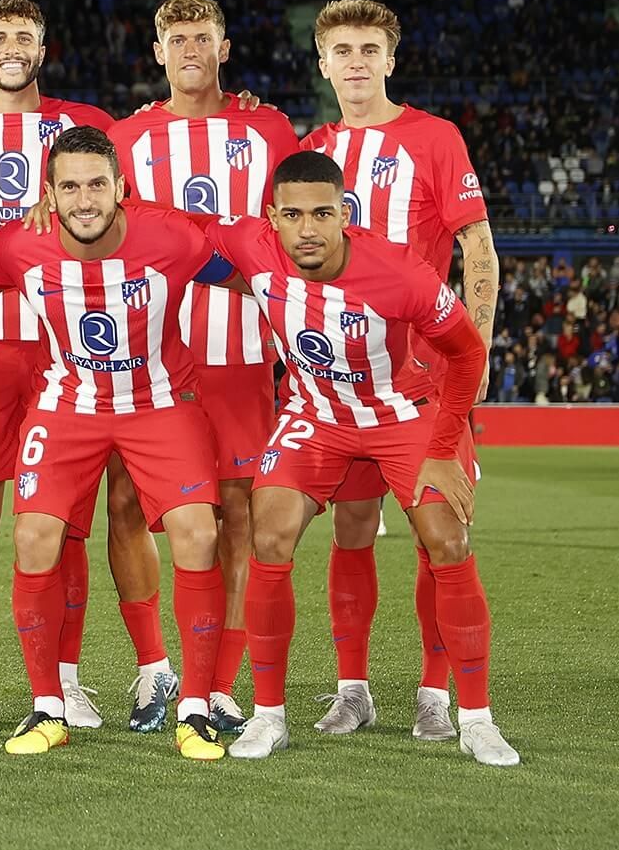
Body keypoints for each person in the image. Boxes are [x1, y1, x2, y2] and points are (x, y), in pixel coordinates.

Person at [200, 150, 518, 767]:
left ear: (345, 213)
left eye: (323, 213)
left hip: (402, 413)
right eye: (293, 215)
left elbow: (466, 353)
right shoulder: (251, 244)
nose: (308, 229)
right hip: (317, 416)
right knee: (270, 533)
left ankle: (477, 720)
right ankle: (269, 716)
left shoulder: (400, 273)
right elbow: (173, 229)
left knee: (447, 540)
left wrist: (443, 449)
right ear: (272, 217)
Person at [0, 126, 236, 760]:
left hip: (159, 402)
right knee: (33, 537)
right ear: (48, 194)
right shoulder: (21, 245)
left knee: (198, 532)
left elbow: (248, 272)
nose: (85, 201)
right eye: (70, 188)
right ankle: (47, 707)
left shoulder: (173, 237)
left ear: (120, 188)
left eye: (97, 185)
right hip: (67, 404)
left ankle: (194, 708)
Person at [0, 0, 120, 731]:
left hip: (64, 349)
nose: (12, 46)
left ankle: (65, 681)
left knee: (66, 521)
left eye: (25, 35)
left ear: (43, 46)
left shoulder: (87, 125)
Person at [304, 0, 498, 741]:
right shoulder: (312, 149)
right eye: (342, 50)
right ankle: (352, 689)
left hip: (423, 381)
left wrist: (477, 348)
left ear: (390, 59)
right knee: (350, 530)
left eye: (368, 49)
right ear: (322, 63)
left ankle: (433, 692)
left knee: (436, 533)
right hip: (342, 382)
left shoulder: (434, 137)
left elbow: (477, 248)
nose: (355, 62)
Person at [107, 0, 301, 734]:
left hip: (241, 351)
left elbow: (289, 227)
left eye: (202, 37)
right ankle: (152, 665)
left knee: (237, 516)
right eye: (177, 39)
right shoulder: (125, 136)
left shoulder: (267, 127)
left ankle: (217, 683)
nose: (190, 50)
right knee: (126, 505)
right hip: (146, 357)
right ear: (157, 52)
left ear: (223, 48)